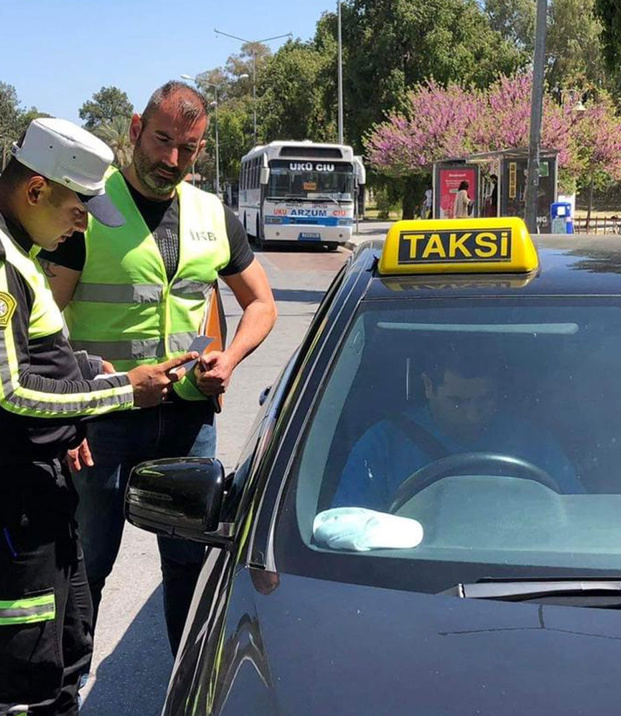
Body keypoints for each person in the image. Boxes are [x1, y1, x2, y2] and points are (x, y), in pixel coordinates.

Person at [0, 117, 196, 716]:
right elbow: (9, 395)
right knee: (26, 687)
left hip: (37, 494)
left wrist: (94, 373)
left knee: (64, 658)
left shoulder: (18, 252)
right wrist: (120, 394)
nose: (85, 221)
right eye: (78, 206)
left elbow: (43, 356)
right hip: (6, 503)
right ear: (37, 189)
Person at [39, 81, 277, 654]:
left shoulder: (213, 216)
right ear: (135, 131)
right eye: (163, 140)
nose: (172, 159)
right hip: (104, 422)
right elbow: (42, 324)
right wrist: (71, 413)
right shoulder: (87, 213)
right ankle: (63, 693)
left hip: (188, 423)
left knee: (189, 572)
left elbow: (262, 304)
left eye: (188, 148)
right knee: (85, 566)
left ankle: (186, 691)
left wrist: (232, 357)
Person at [333, 353, 583, 511]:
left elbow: (575, 513)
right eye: (457, 401)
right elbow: (349, 525)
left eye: (485, 400)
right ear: (429, 387)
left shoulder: (532, 441)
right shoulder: (383, 443)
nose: (472, 415)